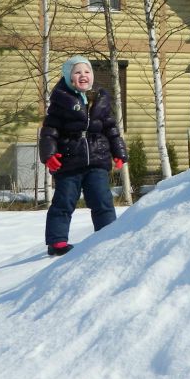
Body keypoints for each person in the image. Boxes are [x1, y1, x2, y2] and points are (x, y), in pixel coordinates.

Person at [39, 56, 128, 256]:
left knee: (102, 200)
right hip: (69, 160)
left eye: (87, 72)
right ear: (68, 77)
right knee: (64, 201)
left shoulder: (101, 99)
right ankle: (57, 242)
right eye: (77, 72)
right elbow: (49, 132)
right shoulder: (61, 100)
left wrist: (119, 152)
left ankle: (107, 236)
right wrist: (49, 154)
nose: (83, 75)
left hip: (97, 159)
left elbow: (111, 129)